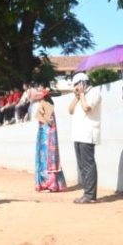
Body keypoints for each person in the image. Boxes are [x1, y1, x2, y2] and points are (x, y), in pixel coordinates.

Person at [68, 72, 101, 204]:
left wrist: (81, 95)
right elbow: (70, 110)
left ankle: (90, 195)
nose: (75, 87)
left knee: (88, 165)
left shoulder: (94, 93)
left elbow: (87, 108)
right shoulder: (79, 96)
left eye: (76, 85)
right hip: (78, 135)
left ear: (83, 83)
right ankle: (87, 193)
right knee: (82, 166)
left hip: (88, 134)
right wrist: (77, 96)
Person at [35, 88, 67, 192]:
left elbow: (48, 121)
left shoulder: (46, 106)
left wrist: (43, 117)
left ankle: (51, 184)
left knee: (47, 159)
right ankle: (50, 184)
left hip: (47, 135)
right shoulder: (47, 105)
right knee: (47, 159)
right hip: (45, 135)